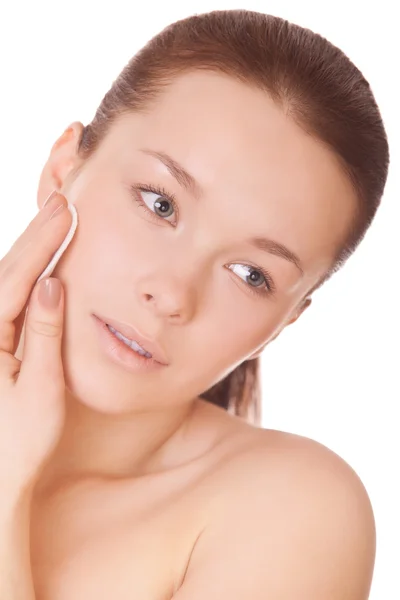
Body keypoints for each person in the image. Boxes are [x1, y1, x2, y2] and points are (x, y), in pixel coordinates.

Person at [0, 9, 389, 600]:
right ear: (63, 171)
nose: (173, 294)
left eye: (251, 274)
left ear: (287, 321)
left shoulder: (290, 512)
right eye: (160, 204)